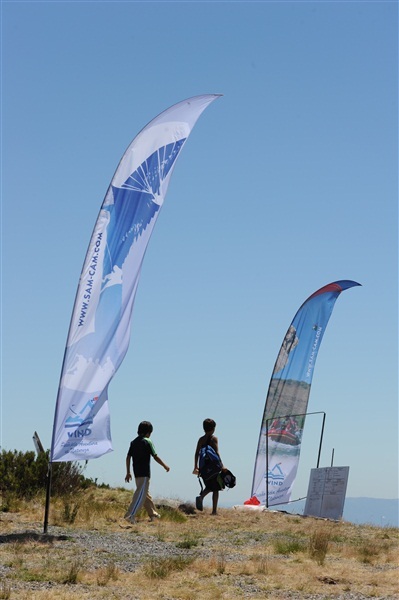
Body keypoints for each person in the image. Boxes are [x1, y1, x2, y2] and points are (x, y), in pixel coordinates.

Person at [124, 421, 170, 524]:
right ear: (148, 432)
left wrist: (128, 472)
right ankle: (130, 515)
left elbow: (128, 457)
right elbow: (155, 456)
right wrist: (165, 465)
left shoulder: (133, 442)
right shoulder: (148, 441)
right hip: (145, 473)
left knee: (145, 494)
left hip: (136, 473)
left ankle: (153, 514)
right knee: (140, 494)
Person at [193, 418, 224, 515]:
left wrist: (195, 466)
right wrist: (222, 466)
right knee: (216, 488)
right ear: (213, 428)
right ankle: (214, 511)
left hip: (203, 468)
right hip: (213, 467)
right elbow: (217, 453)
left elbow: (197, 453)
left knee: (209, 485)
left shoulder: (201, 439)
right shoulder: (214, 438)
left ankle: (201, 496)